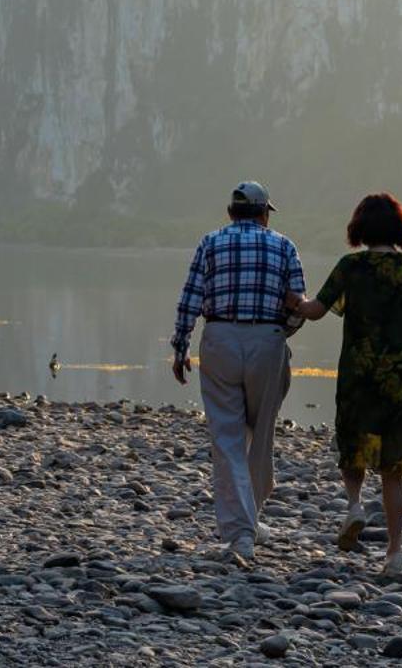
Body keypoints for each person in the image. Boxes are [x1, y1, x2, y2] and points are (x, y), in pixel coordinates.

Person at [287, 192, 402, 576]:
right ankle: (393, 553)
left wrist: (289, 299)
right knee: (393, 469)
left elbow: (315, 311)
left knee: (353, 446)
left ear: (359, 228)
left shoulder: (350, 267)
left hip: (361, 376)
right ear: (399, 229)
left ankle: (355, 505)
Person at [171, 181, 306, 563]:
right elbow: (298, 301)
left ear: (231, 213)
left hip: (219, 338)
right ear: (264, 214)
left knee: (227, 438)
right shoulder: (284, 245)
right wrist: (281, 332)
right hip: (268, 339)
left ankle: (242, 532)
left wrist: (180, 346)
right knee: (261, 434)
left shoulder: (210, 243)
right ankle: (251, 521)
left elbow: (190, 299)